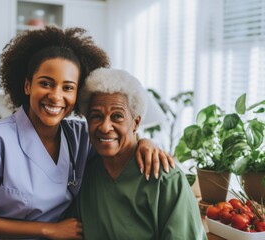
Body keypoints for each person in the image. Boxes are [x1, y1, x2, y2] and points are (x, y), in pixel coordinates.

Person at [0, 26, 174, 240]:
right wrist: (49, 230)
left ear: (77, 95)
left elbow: (116, 141)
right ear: (27, 86)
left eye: (68, 87)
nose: (56, 96)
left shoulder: (80, 136)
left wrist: (143, 142)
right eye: (46, 83)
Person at [69, 68, 207, 239]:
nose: (105, 127)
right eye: (96, 116)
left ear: (136, 123)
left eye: (117, 116)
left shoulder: (165, 178)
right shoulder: (86, 173)